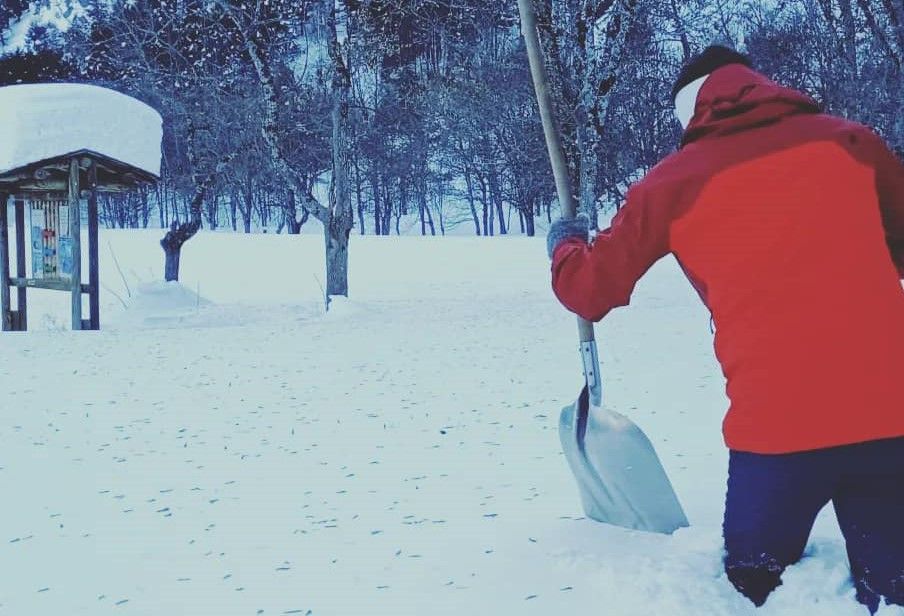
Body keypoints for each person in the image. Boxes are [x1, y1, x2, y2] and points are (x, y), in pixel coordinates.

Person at [546, 45, 904, 613]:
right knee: (896, 584)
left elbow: (589, 291)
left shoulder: (671, 183)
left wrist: (566, 243)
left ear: (688, 114)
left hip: (777, 432)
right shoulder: (854, 144)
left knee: (751, 588)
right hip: (892, 418)